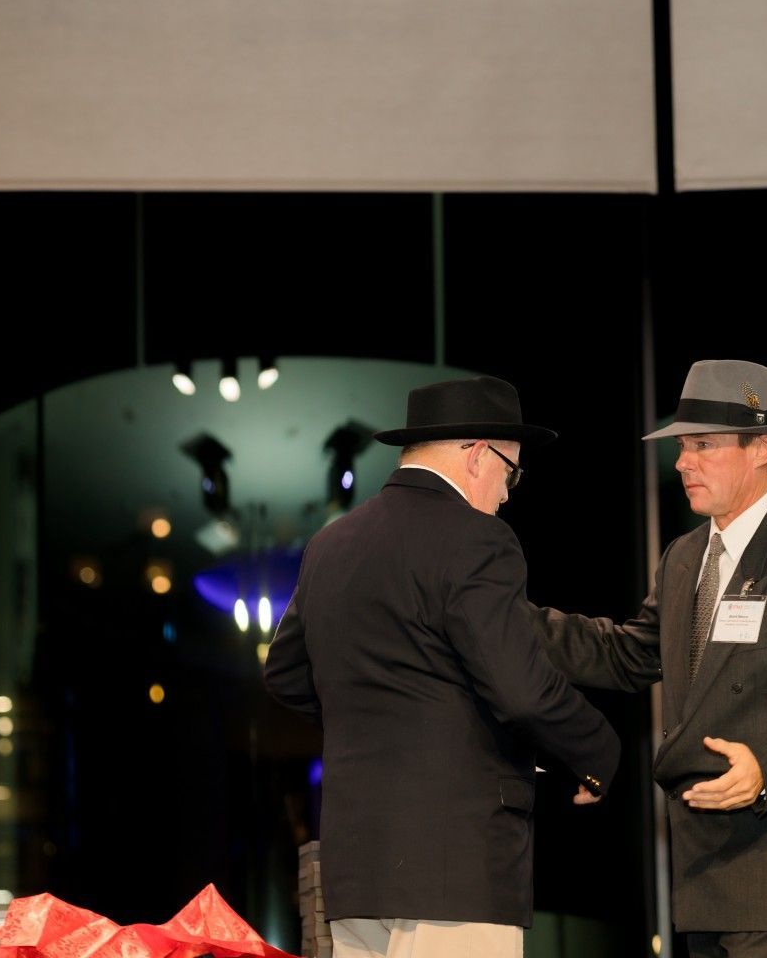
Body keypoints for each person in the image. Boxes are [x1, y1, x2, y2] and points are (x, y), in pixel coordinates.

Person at [533, 358, 767, 958]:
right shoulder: (683, 558)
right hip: (703, 878)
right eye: (681, 445)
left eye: (702, 444)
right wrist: (509, 620)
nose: (681, 461)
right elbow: (628, 654)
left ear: (762, 448)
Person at [264, 375, 620, 958]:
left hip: (355, 870)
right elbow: (522, 690)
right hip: (458, 869)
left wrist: (379, 721)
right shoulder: (477, 539)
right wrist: (598, 751)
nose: (508, 494)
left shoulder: (330, 545)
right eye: (512, 472)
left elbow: (284, 673)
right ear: (478, 454)